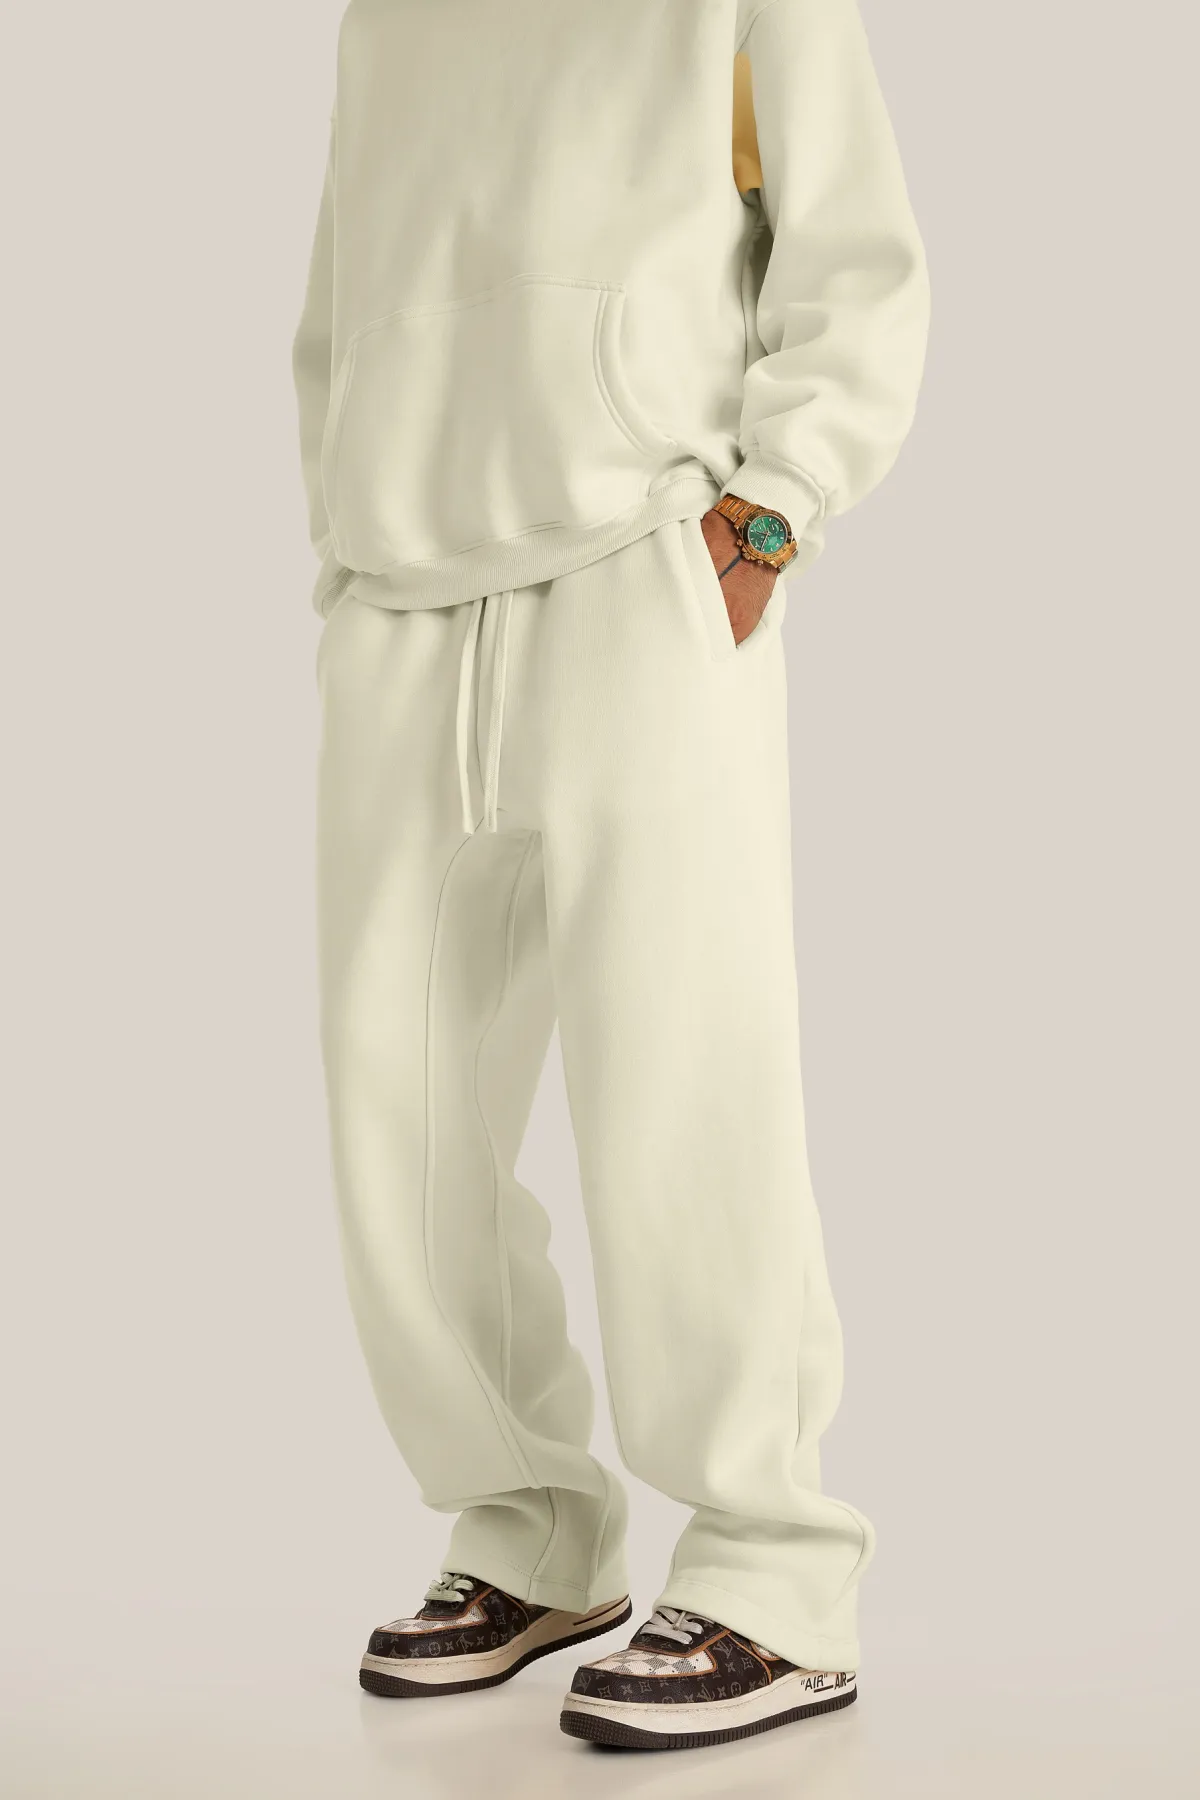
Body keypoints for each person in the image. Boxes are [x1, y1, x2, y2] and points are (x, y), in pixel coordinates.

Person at [292, 0, 928, 1754]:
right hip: (404, 589)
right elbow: (341, 301)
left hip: (645, 560)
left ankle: (775, 1576)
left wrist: (773, 508)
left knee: (683, 1084)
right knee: (401, 1112)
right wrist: (342, 538)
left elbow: (857, 257)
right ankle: (530, 1532)